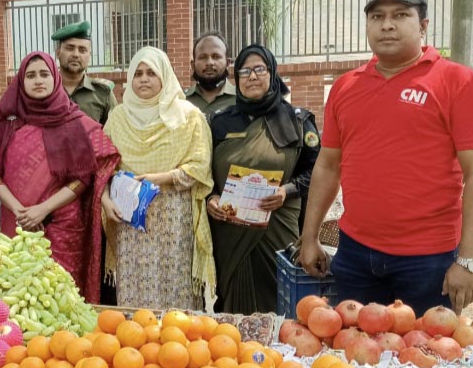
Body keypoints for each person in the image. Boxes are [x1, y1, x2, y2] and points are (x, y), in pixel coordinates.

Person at [299, 0, 473, 314]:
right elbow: (328, 166)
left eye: (400, 15)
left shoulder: (458, 82)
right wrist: (309, 237)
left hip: (429, 261)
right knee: (352, 358)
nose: (386, 24)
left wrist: (469, 260)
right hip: (354, 255)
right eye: (377, 16)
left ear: (423, 26)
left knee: (425, 359)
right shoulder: (346, 87)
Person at [0, 52, 120, 302]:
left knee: (61, 299)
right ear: (21, 81)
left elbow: (85, 177)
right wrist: (22, 211)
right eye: (31, 75)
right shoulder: (8, 123)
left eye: (44, 74)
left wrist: (43, 209)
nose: (38, 80)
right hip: (17, 224)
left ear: (55, 78)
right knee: (18, 299)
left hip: (63, 227)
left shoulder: (75, 121)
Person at [207, 44, 320, 314]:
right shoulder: (220, 122)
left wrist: (287, 191)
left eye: (259, 69)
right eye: (244, 71)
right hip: (230, 231)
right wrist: (210, 197)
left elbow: (318, 172)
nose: (252, 76)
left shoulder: (298, 121)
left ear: (273, 73)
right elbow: (204, 172)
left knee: (281, 302)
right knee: (232, 304)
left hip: (278, 228)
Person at [102, 47, 215, 310]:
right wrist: (106, 200)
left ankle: (178, 346)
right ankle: (135, 346)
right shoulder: (118, 118)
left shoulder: (187, 116)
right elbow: (101, 167)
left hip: (173, 216)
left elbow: (199, 166)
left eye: (151, 72)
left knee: (174, 286)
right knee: (135, 287)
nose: (143, 79)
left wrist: (160, 178)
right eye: (138, 73)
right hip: (131, 218)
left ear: (165, 76)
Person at [52, 21, 118, 126]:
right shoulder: (47, 91)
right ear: (58, 52)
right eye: (70, 48)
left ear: (89, 55)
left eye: (82, 50)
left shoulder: (103, 93)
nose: (76, 54)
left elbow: (114, 133)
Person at [186, 31, 237, 115]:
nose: (209, 62)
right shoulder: (181, 100)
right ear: (193, 65)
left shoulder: (240, 100)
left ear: (228, 63)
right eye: (202, 57)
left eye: (216, 57)